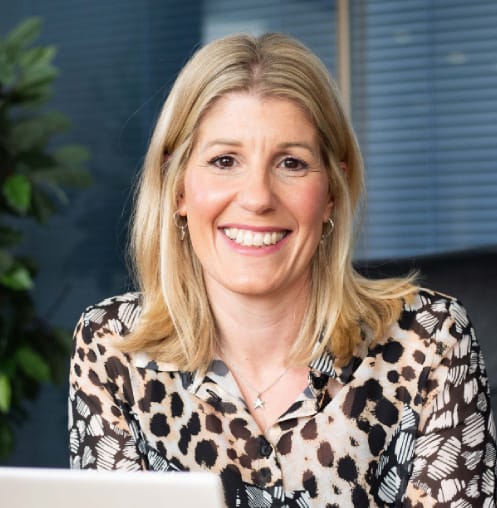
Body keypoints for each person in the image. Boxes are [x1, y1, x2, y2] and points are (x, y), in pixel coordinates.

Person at [68, 33, 496, 507]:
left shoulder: (431, 342)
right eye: (224, 161)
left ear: (332, 191)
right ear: (179, 187)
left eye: (291, 163)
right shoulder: (113, 347)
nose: (257, 197)